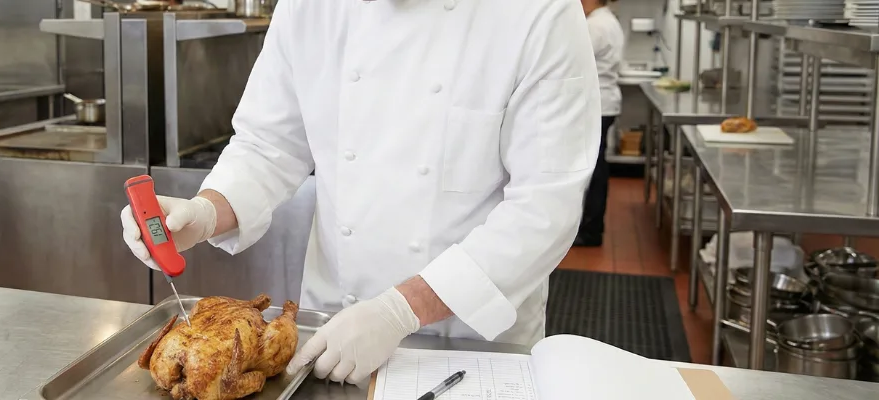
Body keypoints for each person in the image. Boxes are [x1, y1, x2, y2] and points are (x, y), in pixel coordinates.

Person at [121, 0, 600, 386]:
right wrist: (205, 213)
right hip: (332, 330)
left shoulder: (541, 14)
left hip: (470, 343)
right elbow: (268, 144)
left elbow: (545, 208)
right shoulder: (310, 7)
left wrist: (400, 310)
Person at [574, 0, 625, 247]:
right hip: (604, 103)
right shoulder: (607, 21)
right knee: (596, 167)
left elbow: (571, 58)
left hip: (597, 106)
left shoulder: (596, 25)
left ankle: (591, 230)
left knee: (592, 171)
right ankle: (591, 227)